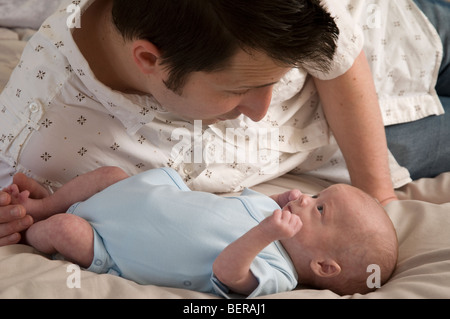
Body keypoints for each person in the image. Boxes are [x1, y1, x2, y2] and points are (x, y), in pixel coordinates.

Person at [0, 0, 448, 246]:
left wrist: (378, 192)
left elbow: (339, 49)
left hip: (407, 35)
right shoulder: (45, 135)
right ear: (150, 60)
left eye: (277, 78)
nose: (259, 110)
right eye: (239, 89)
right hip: (382, 145)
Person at [4, 166, 398, 297]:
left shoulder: (278, 274)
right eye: (315, 194)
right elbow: (238, 204)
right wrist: (279, 201)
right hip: (138, 195)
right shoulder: (275, 216)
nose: (306, 200)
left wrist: (267, 231)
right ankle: (41, 204)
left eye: (320, 208)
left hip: (111, 245)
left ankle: (28, 228)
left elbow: (228, 271)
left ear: (325, 266)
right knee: (111, 175)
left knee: (65, 229)